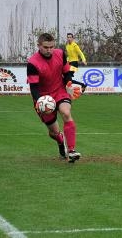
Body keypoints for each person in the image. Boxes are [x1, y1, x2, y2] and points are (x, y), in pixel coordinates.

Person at [27, 33, 83, 163]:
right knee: (54, 132)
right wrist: (39, 101)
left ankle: (72, 151)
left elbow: (67, 72)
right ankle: (60, 140)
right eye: (46, 47)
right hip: (43, 98)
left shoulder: (60, 54)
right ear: (39, 46)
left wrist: (69, 84)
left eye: (52, 47)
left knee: (66, 112)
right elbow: (34, 87)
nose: (49, 50)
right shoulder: (32, 63)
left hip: (60, 91)